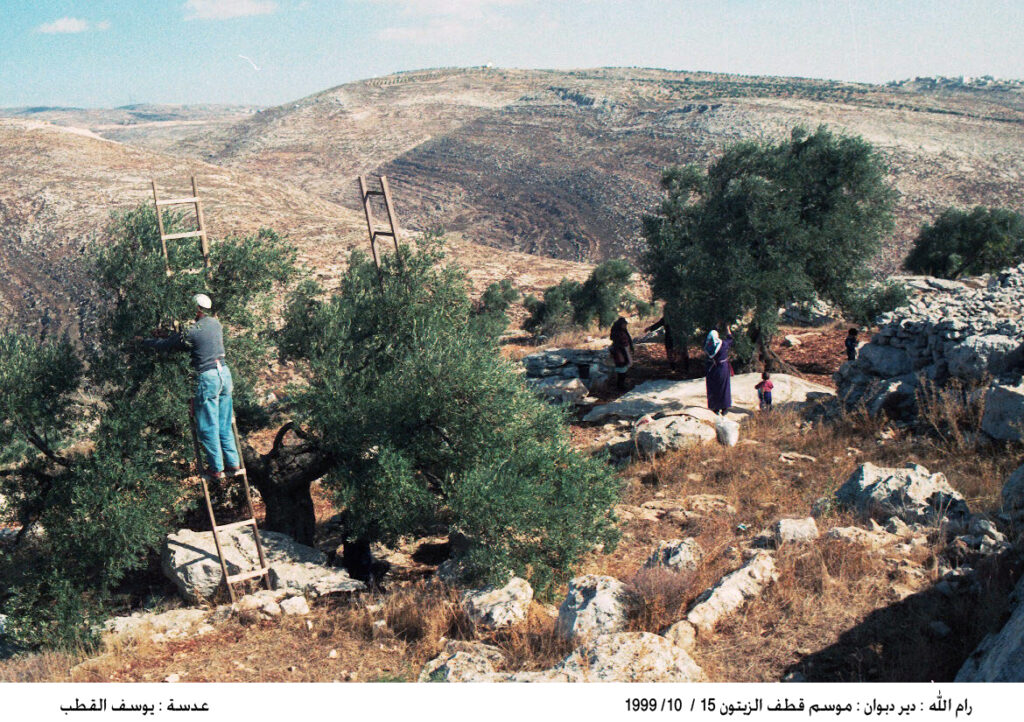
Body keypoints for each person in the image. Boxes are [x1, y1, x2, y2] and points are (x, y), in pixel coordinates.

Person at [145, 293, 240, 480]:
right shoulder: (215, 324)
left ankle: (216, 467)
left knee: (207, 426)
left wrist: (146, 342)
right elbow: (189, 339)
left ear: (196, 309)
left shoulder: (192, 331)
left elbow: (168, 345)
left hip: (208, 378)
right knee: (224, 422)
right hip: (224, 375)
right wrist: (172, 335)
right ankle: (233, 462)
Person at [704, 327, 733, 414]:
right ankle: (724, 408)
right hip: (722, 367)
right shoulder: (723, 344)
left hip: (711, 368)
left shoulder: (707, 346)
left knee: (713, 387)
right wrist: (728, 330)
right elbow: (730, 340)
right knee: (724, 387)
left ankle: (715, 408)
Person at [610, 316, 634, 390]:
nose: (625, 326)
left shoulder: (622, 331)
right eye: (624, 324)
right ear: (620, 324)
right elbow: (621, 343)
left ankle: (621, 385)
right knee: (621, 368)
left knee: (623, 368)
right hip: (619, 352)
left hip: (621, 351)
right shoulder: (617, 332)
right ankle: (620, 386)